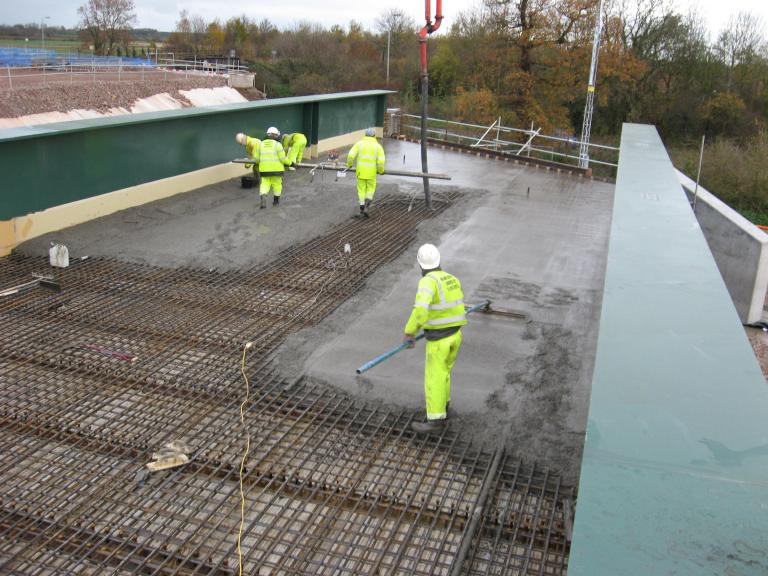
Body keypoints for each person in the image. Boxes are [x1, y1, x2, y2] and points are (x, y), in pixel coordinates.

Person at [403, 244, 466, 434]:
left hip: (439, 341)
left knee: (434, 378)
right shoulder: (451, 279)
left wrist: (410, 332)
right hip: (455, 335)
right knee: (444, 373)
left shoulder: (428, 282)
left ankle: (435, 421)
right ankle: (444, 407)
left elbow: (421, 310)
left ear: (421, 265)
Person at [346, 127, 385, 218]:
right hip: (371, 174)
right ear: (374, 135)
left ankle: (361, 210)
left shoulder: (359, 144)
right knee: (370, 190)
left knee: (361, 191)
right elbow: (381, 162)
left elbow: (351, 155)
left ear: (365, 135)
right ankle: (367, 207)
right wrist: (381, 171)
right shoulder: (378, 147)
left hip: (360, 173)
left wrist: (349, 164)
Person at [253, 126, 292, 209]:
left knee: (264, 184)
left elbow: (256, 159)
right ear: (276, 135)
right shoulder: (278, 145)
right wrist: (290, 163)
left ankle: (263, 196)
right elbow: (283, 159)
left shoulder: (261, 144)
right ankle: (276, 201)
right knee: (277, 185)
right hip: (277, 170)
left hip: (264, 170)